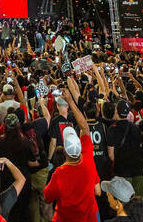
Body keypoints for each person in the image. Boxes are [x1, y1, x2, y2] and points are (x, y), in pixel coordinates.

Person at [43, 87, 99, 222]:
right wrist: (71, 101)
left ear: (65, 151)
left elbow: (47, 197)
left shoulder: (59, 174)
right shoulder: (88, 160)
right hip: (90, 217)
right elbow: (85, 128)